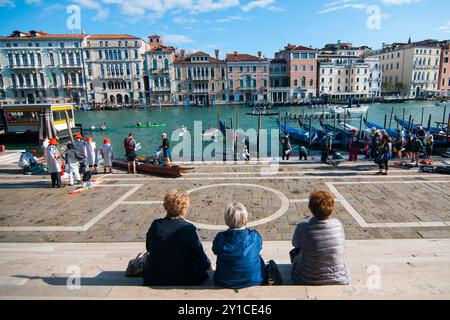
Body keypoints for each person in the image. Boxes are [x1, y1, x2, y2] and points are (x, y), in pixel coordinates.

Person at [143, 190, 211, 286]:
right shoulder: (188, 228)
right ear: (184, 208)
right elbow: (199, 253)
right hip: (186, 278)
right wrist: (208, 265)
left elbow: (149, 247)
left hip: (156, 277)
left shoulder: (156, 225)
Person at [291, 191, 351, 285]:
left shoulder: (302, 228)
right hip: (340, 278)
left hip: (306, 278)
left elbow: (295, 244)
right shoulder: (338, 225)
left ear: (311, 208)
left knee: (296, 252)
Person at [213, 202, 267, 289]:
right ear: (246, 220)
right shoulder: (254, 237)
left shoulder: (220, 238)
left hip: (224, 281)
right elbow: (259, 247)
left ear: (226, 221)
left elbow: (215, 250)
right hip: (254, 280)